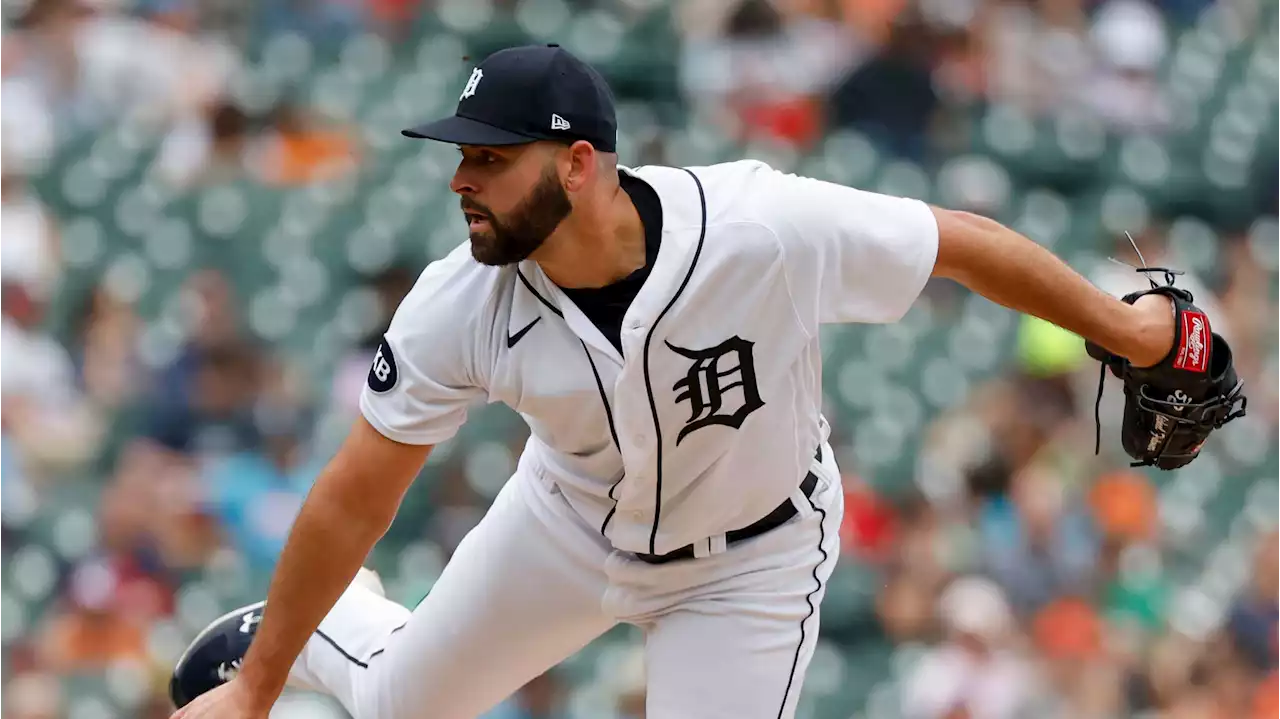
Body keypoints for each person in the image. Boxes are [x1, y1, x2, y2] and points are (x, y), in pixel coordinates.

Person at [167, 43, 1182, 719]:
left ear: (575, 165)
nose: (459, 180)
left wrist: (1126, 330)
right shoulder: (459, 299)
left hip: (748, 566)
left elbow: (955, 244)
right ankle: (322, 628)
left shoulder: (756, 228)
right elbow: (356, 489)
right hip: (566, 526)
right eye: (460, 157)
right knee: (393, 708)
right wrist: (256, 690)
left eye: (487, 157)